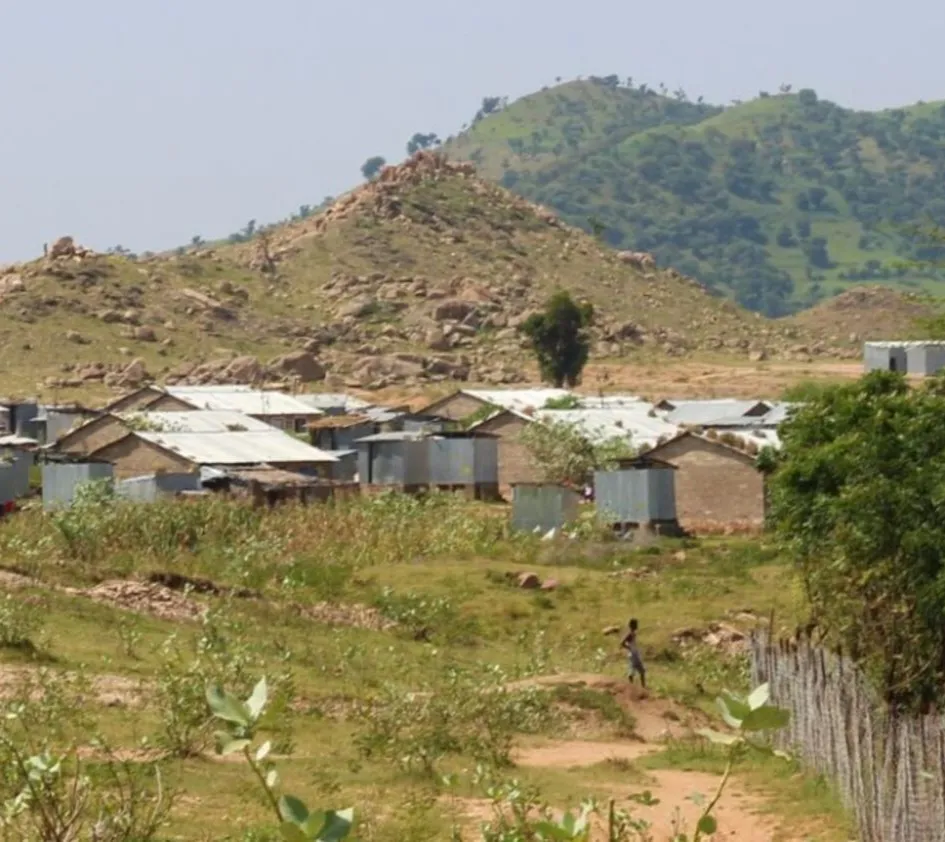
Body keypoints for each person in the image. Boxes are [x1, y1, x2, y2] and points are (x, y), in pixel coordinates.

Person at [620, 618, 646, 688]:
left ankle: (640, 686)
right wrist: (629, 648)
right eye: (636, 624)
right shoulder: (630, 634)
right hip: (633, 654)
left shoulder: (633, 633)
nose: (637, 626)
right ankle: (635, 687)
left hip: (634, 654)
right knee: (638, 670)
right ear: (633, 625)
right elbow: (622, 642)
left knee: (639, 670)